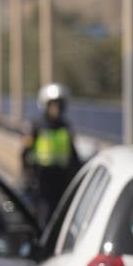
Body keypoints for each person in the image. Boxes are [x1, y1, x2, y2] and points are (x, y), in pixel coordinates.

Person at [22, 83, 82, 226]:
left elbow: (72, 155)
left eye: (59, 105)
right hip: (42, 183)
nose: (56, 108)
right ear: (46, 105)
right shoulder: (37, 126)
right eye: (53, 105)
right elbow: (26, 153)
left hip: (61, 181)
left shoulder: (65, 127)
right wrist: (28, 177)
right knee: (43, 218)